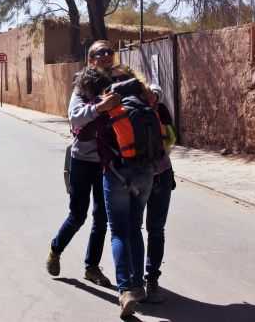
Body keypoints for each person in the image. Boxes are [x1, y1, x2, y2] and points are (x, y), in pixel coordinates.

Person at [46, 40, 121, 287]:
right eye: (101, 52)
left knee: (102, 217)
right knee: (78, 215)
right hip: (82, 160)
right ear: (91, 60)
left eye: (110, 51)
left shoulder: (121, 82)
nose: (107, 56)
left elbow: (144, 92)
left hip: (107, 162)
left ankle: (91, 267)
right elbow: (75, 118)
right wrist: (101, 107)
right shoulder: (82, 87)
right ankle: (56, 249)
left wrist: (154, 92)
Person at [94, 70, 165, 318]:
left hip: (116, 174)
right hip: (145, 173)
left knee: (118, 232)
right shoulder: (147, 102)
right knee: (135, 228)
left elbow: (91, 134)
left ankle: (125, 289)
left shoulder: (110, 104)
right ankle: (139, 285)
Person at [143, 84, 177, 303]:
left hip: (159, 175)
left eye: (154, 95)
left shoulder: (161, 113)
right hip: (140, 177)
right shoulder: (129, 112)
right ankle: (137, 280)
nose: (152, 98)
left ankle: (150, 278)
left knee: (154, 230)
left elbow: (170, 141)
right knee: (134, 230)